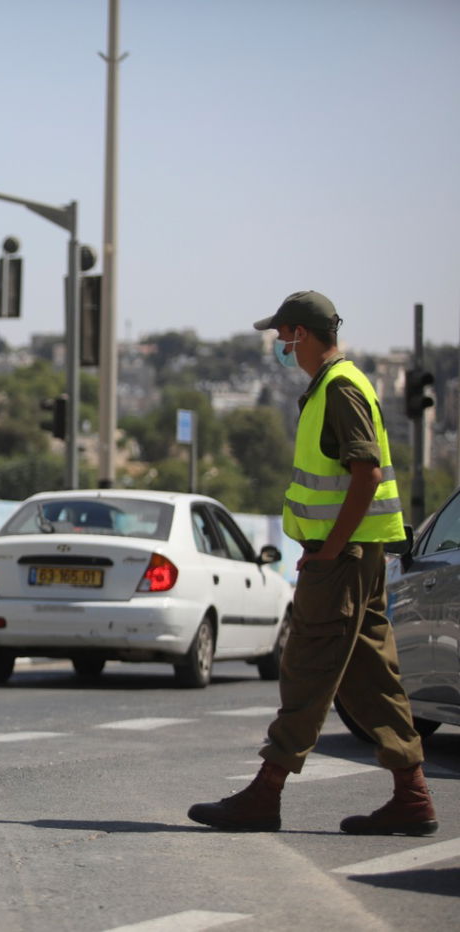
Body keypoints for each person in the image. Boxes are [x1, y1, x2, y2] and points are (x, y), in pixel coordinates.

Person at [188, 291, 437, 835]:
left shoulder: (341, 388)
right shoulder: (334, 386)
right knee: (373, 678)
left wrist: (328, 547)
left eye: (282, 336)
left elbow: (366, 473)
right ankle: (412, 796)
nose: (278, 345)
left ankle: (266, 791)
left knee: (306, 669)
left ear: (301, 333)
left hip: (342, 559)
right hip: (356, 556)